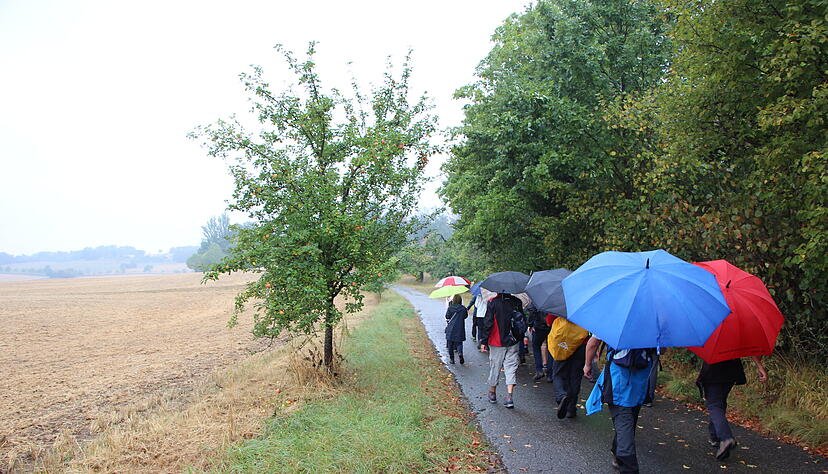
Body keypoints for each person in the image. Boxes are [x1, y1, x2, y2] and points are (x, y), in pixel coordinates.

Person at [584, 336, 657, 474]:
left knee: (623, 420)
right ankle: (617, 451)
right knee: (630, 418)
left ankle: (628, 467)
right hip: (641, 378)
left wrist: (587, 364)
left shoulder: (615, 316)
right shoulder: (653, 319)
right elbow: (662, 350)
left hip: (619, 377)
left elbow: (593, 343)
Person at [697, 356, 768, 460]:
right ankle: (715, 436)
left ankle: (725, 438)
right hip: (732, 370)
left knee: (714, 405)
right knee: (720, 402)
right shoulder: (737, 338)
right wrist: (760, 366)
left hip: (713, 370)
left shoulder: (710, 338)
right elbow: (749, 346)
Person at [479, 292, 525, 409]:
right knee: (511, 367)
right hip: (513, 341)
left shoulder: (493, 302)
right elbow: (522, 321)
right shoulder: (517, 302)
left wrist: (484, 341)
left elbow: (488, 322)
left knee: (495, 366)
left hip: (497, 341)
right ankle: (509, 397)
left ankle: (492, 393)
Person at [549, 318, 589, 419]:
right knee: (575, 376)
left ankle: (561, 396)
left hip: (563, 342)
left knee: (558, 373)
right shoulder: (587, 307)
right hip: (581, 344)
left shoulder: (561, 305)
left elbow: (549, 321)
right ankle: (571, 408)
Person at [526, 305, 552, 381]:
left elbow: (531, 310)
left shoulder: (537, 297)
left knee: (536, 347)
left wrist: (530, 324)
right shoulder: (555, 297)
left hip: (539, 326)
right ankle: (550, 373)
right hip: (551, 326)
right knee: (551, 348)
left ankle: (539, 370)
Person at [444, 294, 469, 364]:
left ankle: (452, 359)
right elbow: (465, 316)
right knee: (459, 342)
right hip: (460, 327)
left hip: (451, 328)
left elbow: (447, 316)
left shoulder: (450, 308)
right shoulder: (463, 308)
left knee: (450, 344)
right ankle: (460, 353)